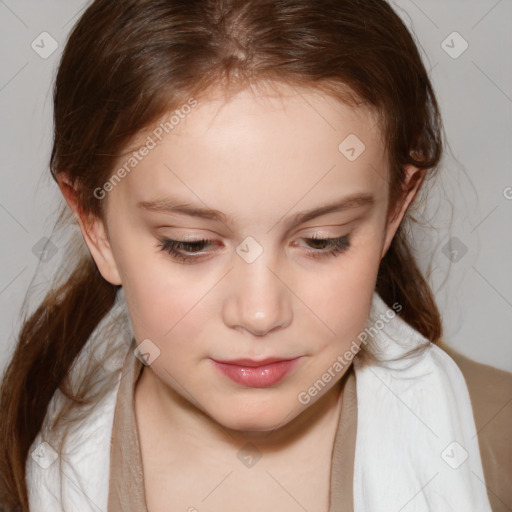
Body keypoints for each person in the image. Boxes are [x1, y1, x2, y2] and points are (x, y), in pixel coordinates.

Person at [0, 0, 510, 511]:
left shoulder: (495, 437)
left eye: (322, 240)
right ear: (97, 227)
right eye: (190, 244)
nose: (261, 313)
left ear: (395, 209)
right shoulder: (21, 464)